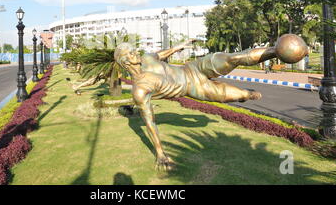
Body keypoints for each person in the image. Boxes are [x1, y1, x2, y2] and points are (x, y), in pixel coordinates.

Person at [114, 34, 307, 170]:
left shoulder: (147, 58)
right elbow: (150, 122)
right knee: (236, 95)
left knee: (233, 58)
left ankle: (276, 50)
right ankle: (247, 95)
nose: (135, 53)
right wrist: (160, 153)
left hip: (194, 68)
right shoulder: (140, 90)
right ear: (124, 62)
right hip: (194, 88)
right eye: (130, 53)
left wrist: (181, 45)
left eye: (134, 50)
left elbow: (162, 54)